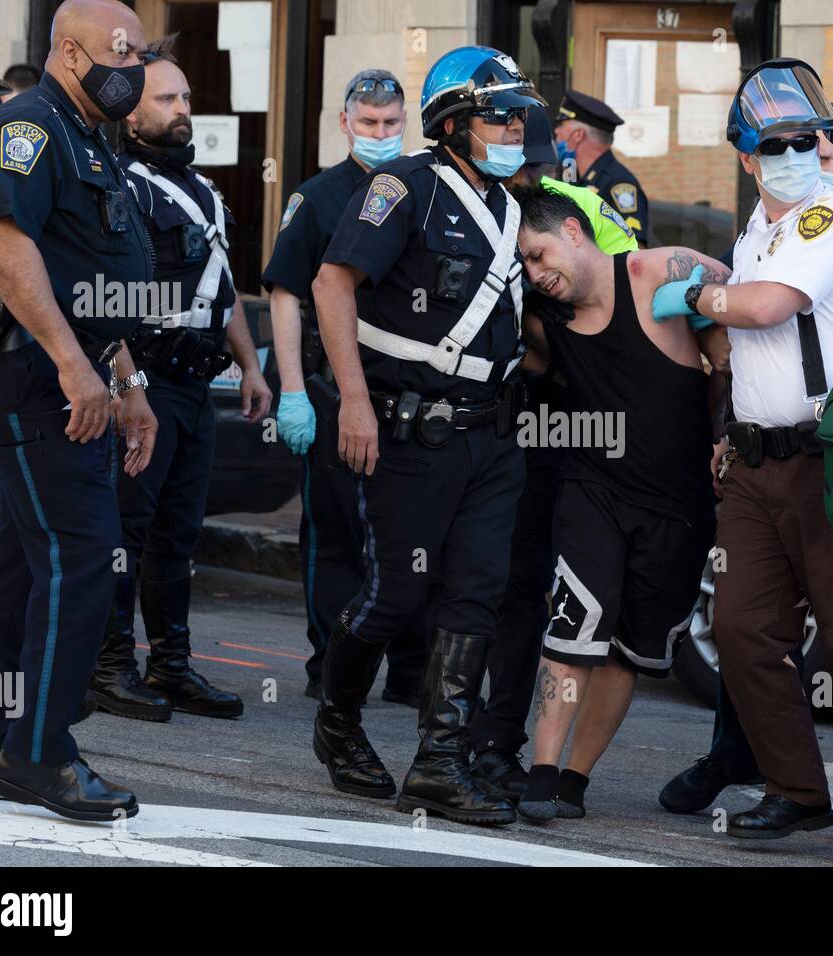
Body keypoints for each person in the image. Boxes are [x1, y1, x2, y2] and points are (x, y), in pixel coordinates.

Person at [653, 58, 833, 865]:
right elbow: (746, 345)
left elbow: (764, 308)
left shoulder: (828, 218)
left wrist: (692, 292)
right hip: (759, 465)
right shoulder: (757, 231)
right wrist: (730, 426)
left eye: (809, 139)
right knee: (740, 629)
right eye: (777, 143)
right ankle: (798, 790)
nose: (798, 153)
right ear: (746, 156)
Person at [309, 45, 541, 825]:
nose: (513, 126)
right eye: (497, 114)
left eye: (517, 113)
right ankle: (338, 724)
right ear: (453, 122)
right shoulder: (400, 187)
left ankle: (440, 762)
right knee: (395, 594)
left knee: (476, 595)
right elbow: (331, 283)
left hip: (491, 438)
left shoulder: (516, 208)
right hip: (405, 433)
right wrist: (351, 400)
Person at [0, 0, 157, 821]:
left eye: (141, 53)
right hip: (32, 378)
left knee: (14, 559)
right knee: (82, 555)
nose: (135, 66)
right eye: (123, 50)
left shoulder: (89, 136)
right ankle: (40, 753)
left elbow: (90, 276)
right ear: (70, 52)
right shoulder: (30, 125)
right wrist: (76, 369)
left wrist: (126, 380)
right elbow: (7, 244)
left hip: (68, 372)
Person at [505, 188, 719, 822]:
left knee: (632, 650)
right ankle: (541, 774)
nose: (539, 274)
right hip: (593, 489)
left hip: (680, 504)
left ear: (575, 230)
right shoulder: (547, 319)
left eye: (541, 255)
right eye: (527, 267)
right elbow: (526, 363)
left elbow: (755, 305)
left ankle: (574, 780)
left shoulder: (657, 272)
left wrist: (729, 408)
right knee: (575, 626)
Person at [87, 38, 271, 723]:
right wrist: (124, 383)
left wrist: (250, 365)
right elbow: (102, 293)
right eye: (166, 99)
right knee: (125, 530)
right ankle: (108, 666)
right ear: (130, 116)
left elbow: (220, 294)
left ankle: (171, 664)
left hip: (196, 385)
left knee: (178, 533)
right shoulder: (117, 181)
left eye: (187, 97)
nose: (183, 109)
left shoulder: (203, 190)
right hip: (144, 379)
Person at [466, 104, 638, 799]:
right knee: (498, 584)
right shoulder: (473, 208)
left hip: (569, 422)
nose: (528, 173)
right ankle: (479, 736)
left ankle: (500, 742)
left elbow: (622, 294)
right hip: (504, 420)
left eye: (538, 163)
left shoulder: (583, 211)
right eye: (520, 159)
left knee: (532, 587)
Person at [263, 68, 428, 704]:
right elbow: (284, 294)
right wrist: (293, 389)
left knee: (412, 533)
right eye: (369, 124)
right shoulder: (318, 197)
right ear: (345, 124)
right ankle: (328, 667)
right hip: (335, 389)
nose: (381, 134)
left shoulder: (423, 189)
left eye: (391, 124)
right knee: (333, 533)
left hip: (411, 393)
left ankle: (411, 671)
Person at [554, 90, 649, 241]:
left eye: (562, 125)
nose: (556, 132)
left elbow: (635, 250)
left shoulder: (619, 184)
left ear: (578, 135)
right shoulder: (570, 171)